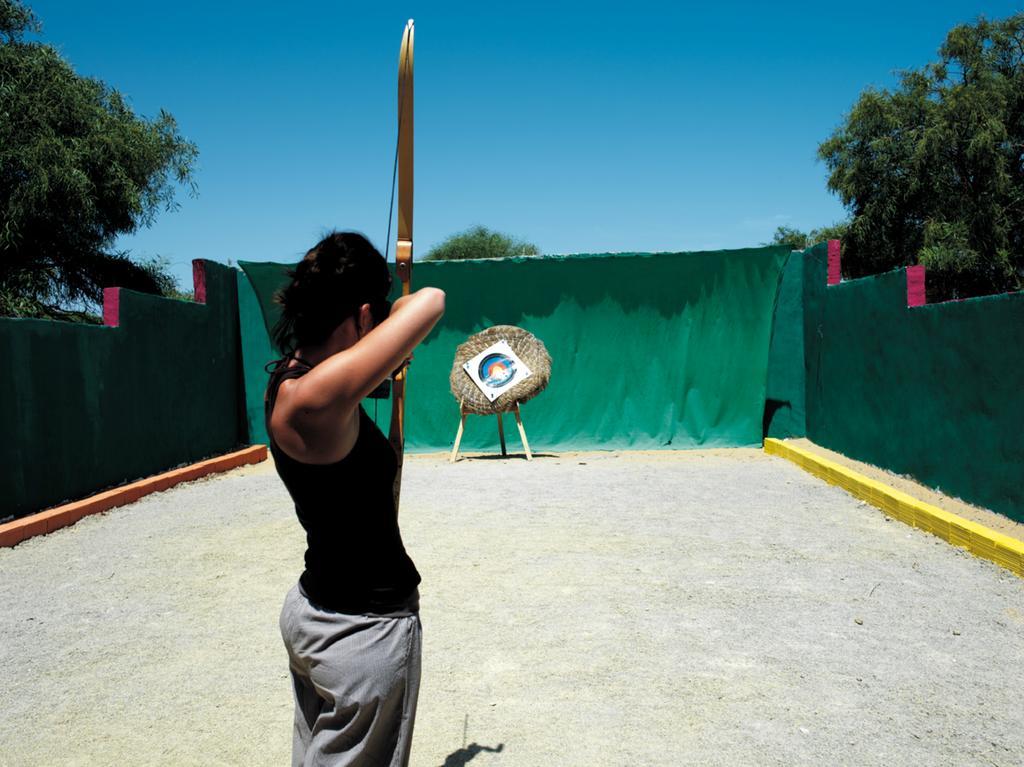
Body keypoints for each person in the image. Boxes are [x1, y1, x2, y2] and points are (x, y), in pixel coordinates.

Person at [264, 231, 445, 767]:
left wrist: (380, 349)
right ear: (364, 316)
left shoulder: (293, 379)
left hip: (317, 611)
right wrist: (389, 334)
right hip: (361, 635)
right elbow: (430, 300)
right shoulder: (318, 399)